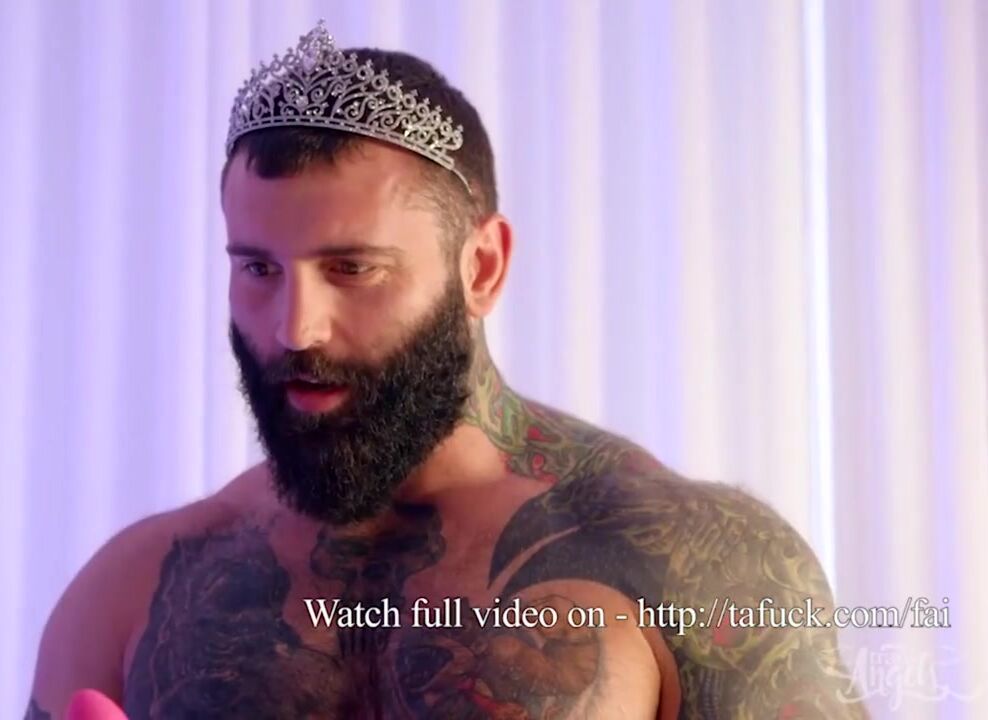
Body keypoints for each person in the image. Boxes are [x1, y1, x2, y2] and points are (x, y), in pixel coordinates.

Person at [27, 22, 867, 720]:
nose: (294, 327)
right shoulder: (134, 587)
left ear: (482, 267)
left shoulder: (693, 564)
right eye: (258, 269)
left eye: (352, 269)